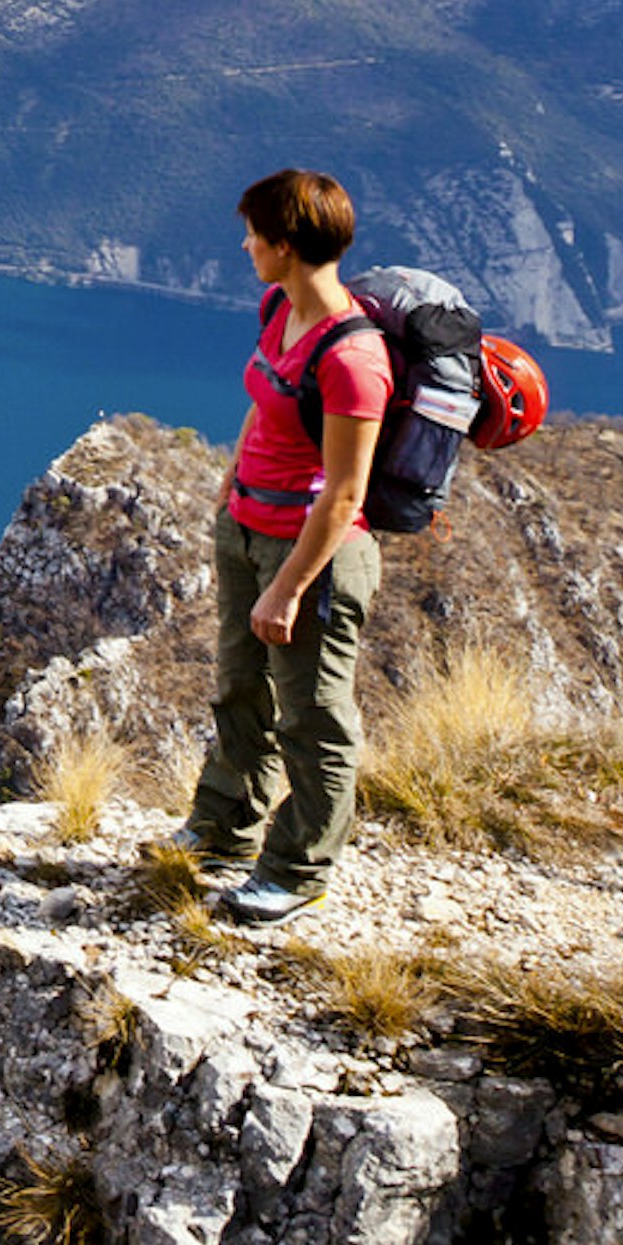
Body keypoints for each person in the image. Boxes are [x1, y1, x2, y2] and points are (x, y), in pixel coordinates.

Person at [176, 166, 388, 925]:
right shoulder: (279, 307)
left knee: (312, 715)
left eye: (255, 234)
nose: (245, 245)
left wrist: (290, 585)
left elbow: (344, 493)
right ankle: (223, 829)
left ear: (287, 244)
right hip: (244, 528)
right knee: (240, 687)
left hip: (310, 555)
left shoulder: (352, 360)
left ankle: (299, 868)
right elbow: (263, 410)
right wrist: (228, 499)